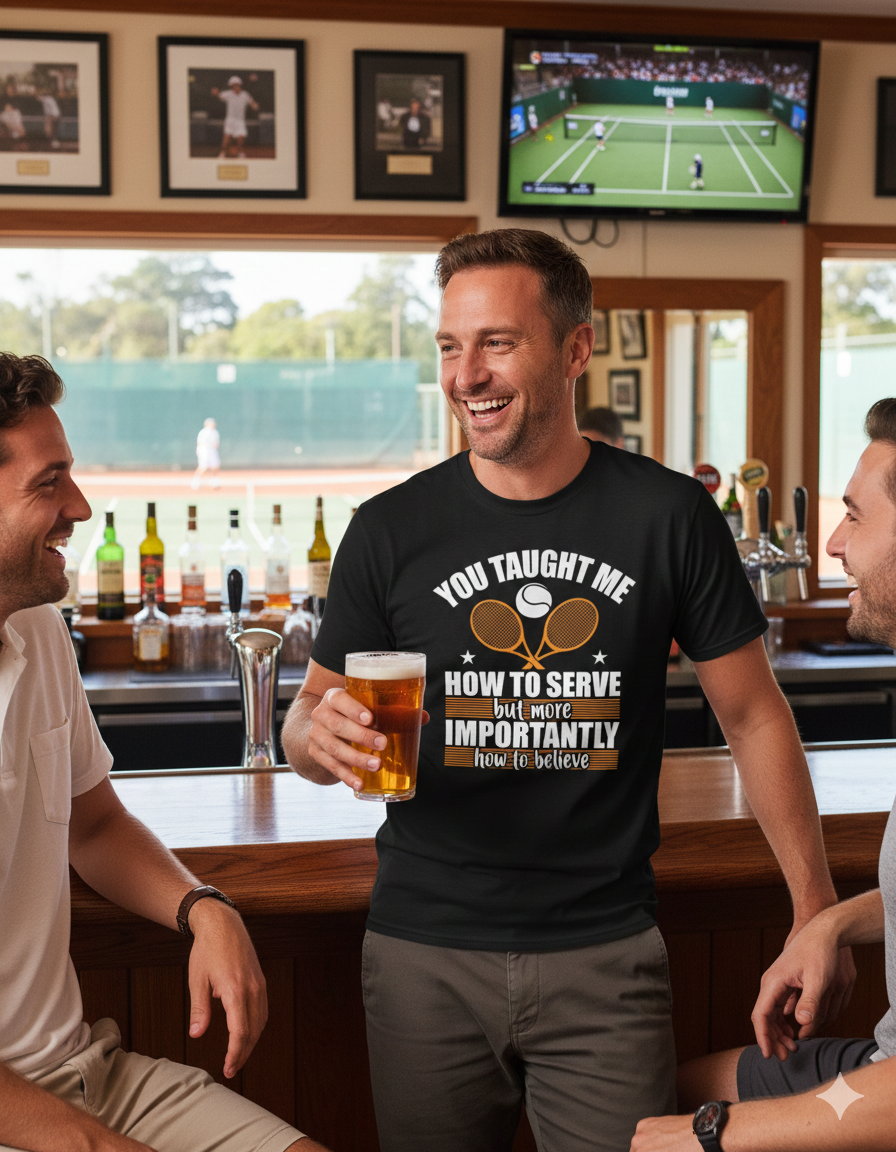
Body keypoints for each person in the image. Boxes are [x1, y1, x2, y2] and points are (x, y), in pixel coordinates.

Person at [280, 228, 850, 1152]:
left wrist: (814, 908)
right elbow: (307, 719)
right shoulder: (388, 530)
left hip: (605, 952)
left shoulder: (669, 516)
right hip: (424, 950)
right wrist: (317, 742)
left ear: (575, 349)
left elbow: (752, 714)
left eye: (497, 342)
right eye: (450, 347)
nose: (467, 374)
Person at [0, 352, 329, 1152]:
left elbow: (94, 823)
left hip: (91, 1076)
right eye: (49, 483)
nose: (79, 505)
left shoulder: (39, 629)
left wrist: (202, 906)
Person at [631, 398, 896, 1152]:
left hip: (887, 1093)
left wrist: (715, 1136)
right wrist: (834, 922)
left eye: (855, 516)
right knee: (645, 1091)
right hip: (880, 1063)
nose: (835, 544)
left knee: (665, 1123)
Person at [211, 76, 258, 159]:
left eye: (237, 85)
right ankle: (223, 153)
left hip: (240, 121)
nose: (236, 86)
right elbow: (219, 95)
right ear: (231, 86)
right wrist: (216, 93)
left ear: (240, 85)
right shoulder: (228, 94)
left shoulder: (245, 94)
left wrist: (254, 105)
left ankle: (239, 152)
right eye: (234, 85)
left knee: (241, 137)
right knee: (227, 137)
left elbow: (252, 102)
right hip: (230, 120)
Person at [192, 415, 221, 489]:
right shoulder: (203, 432)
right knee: (203, 467)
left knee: (215, 467)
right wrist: (199, 451)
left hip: (212, 451)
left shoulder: (215, 432)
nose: (213, 425)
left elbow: (216, 444)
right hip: (204, 451)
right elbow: (199, 443)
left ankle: (214, 482)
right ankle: (196, 482)